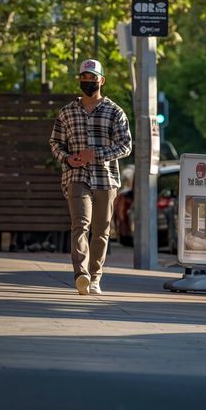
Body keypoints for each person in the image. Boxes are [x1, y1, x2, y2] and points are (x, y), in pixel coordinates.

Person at [49, 59, 132, 296]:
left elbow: (125, 146)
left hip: (106, 178)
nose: (88, 81)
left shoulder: (115, 112)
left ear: (101, 80)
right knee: (80, 224)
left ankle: (95, 277)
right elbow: (55, 142)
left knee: (102, 230)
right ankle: (81, 274)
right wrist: (67, 158)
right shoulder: (67, 112)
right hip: (76, 176)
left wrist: (95, 154)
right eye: (84, 77)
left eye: (92, 78)